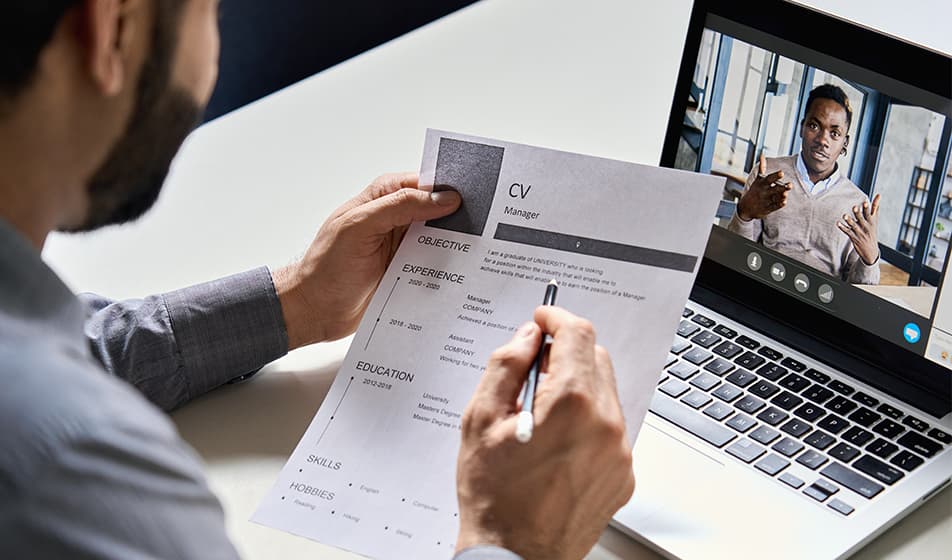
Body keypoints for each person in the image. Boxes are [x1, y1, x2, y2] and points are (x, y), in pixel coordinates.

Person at [0, 2, 634, 559]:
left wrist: (298, 302)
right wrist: (513, 542)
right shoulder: (76, 480)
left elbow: (77, 350)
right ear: (112, 28)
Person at [728, 84, 882, 285]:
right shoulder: (767, 175)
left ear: (845, 143)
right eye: (814, 126)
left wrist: (870, 259)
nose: (822, 140)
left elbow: (858, 292)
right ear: (802, 127)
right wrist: (744, 214)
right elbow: (737, 254)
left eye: (835, 133)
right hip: (763, 285)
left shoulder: (857, 203)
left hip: (822, 303)